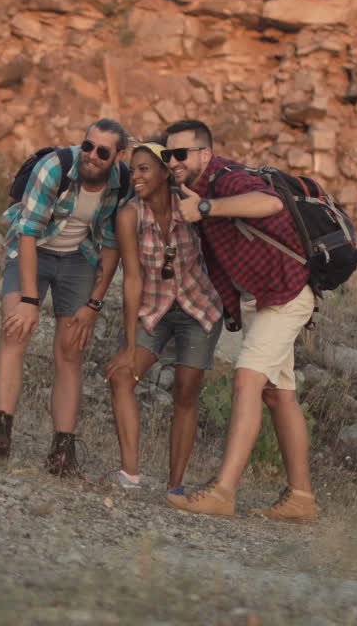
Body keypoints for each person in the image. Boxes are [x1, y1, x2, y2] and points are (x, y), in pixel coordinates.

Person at [161, 119, 319, 523]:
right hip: (261, 300)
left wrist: (207, 208)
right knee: (278, 394)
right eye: (168, 154)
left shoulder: (228, 179)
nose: (173, 161)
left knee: (247, 379)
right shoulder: (192, 189)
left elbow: (270, 204)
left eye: (180, 154)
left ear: (203, 154)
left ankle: (223, 491)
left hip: (286, 294)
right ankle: (301, 499)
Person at [0, 119, 129, 477]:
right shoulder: (54, 167)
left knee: (70, 350)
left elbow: (113, 248)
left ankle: (62, 452)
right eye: (87, 146)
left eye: (103, 151)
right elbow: (27, 234)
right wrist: (28, 299)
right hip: (33, 250)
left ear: (118, 156)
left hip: (78, 257)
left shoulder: (122, 183)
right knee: (15, 330)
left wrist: (93, 305)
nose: (91, 155)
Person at [104, 140, 222, 494]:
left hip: (199, 308)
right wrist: (128, 344)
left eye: (144, 169)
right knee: (122, 375)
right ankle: (130, 474)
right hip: (154, 309)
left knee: (186, 394)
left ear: (163, 172)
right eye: (133, 170)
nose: (136, 176)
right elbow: (133, 278)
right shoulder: (130, 215)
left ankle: (175, 486)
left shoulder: (189, 204)